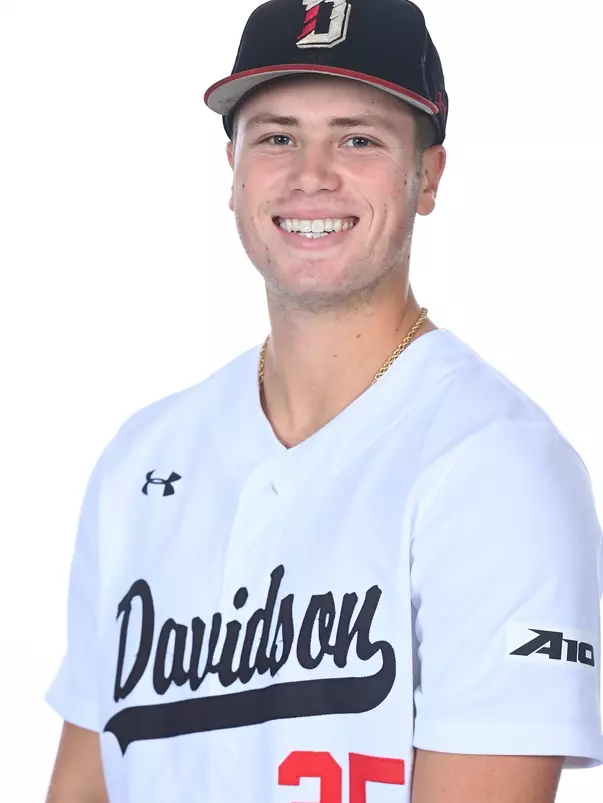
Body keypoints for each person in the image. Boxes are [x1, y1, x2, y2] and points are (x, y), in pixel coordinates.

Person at [44, 0, 603, 801]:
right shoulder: (143, 459)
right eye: (276, 136)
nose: (311, 174)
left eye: (358, 138)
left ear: (427, 177)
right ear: (232, 176)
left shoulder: (498, 468)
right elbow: (81, 784)